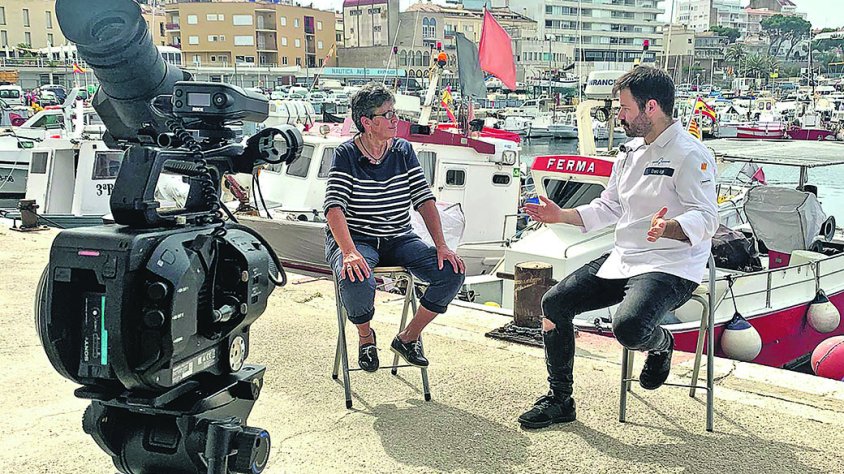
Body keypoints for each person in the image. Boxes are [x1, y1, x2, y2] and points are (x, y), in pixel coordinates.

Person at [517, 66, 719, 429]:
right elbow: (608, 207)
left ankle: (661, 344)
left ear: (651, 107)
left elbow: (707, 218)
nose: (619, 116)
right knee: (554, 303)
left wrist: (670, 227)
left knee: (628, 328)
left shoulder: (690, 154)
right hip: (625, 256)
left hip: (670, 264)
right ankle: (560, 399)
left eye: (625, 108)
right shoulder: (629, 152)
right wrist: (560, 215)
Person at [323, 82, 466, 372]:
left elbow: (424, 199)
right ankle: (366, 338)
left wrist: (441, 246)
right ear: (367, 122)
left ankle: (408, 338)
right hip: (357, 238)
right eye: (387, 114)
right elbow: (334, 208)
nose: (395, 119)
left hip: (399, 237)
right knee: (354, 278)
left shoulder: (402, 150)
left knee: (452, 272)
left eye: (394, 112)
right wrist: (348, 251)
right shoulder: (346, 154)